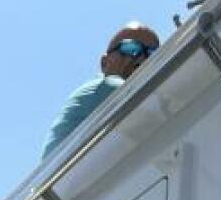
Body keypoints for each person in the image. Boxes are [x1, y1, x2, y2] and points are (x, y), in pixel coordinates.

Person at [40, 23, 160, 160]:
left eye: (152, 54)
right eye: (130, 48)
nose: (141, 59)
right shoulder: (105, 86)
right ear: (104, 63)